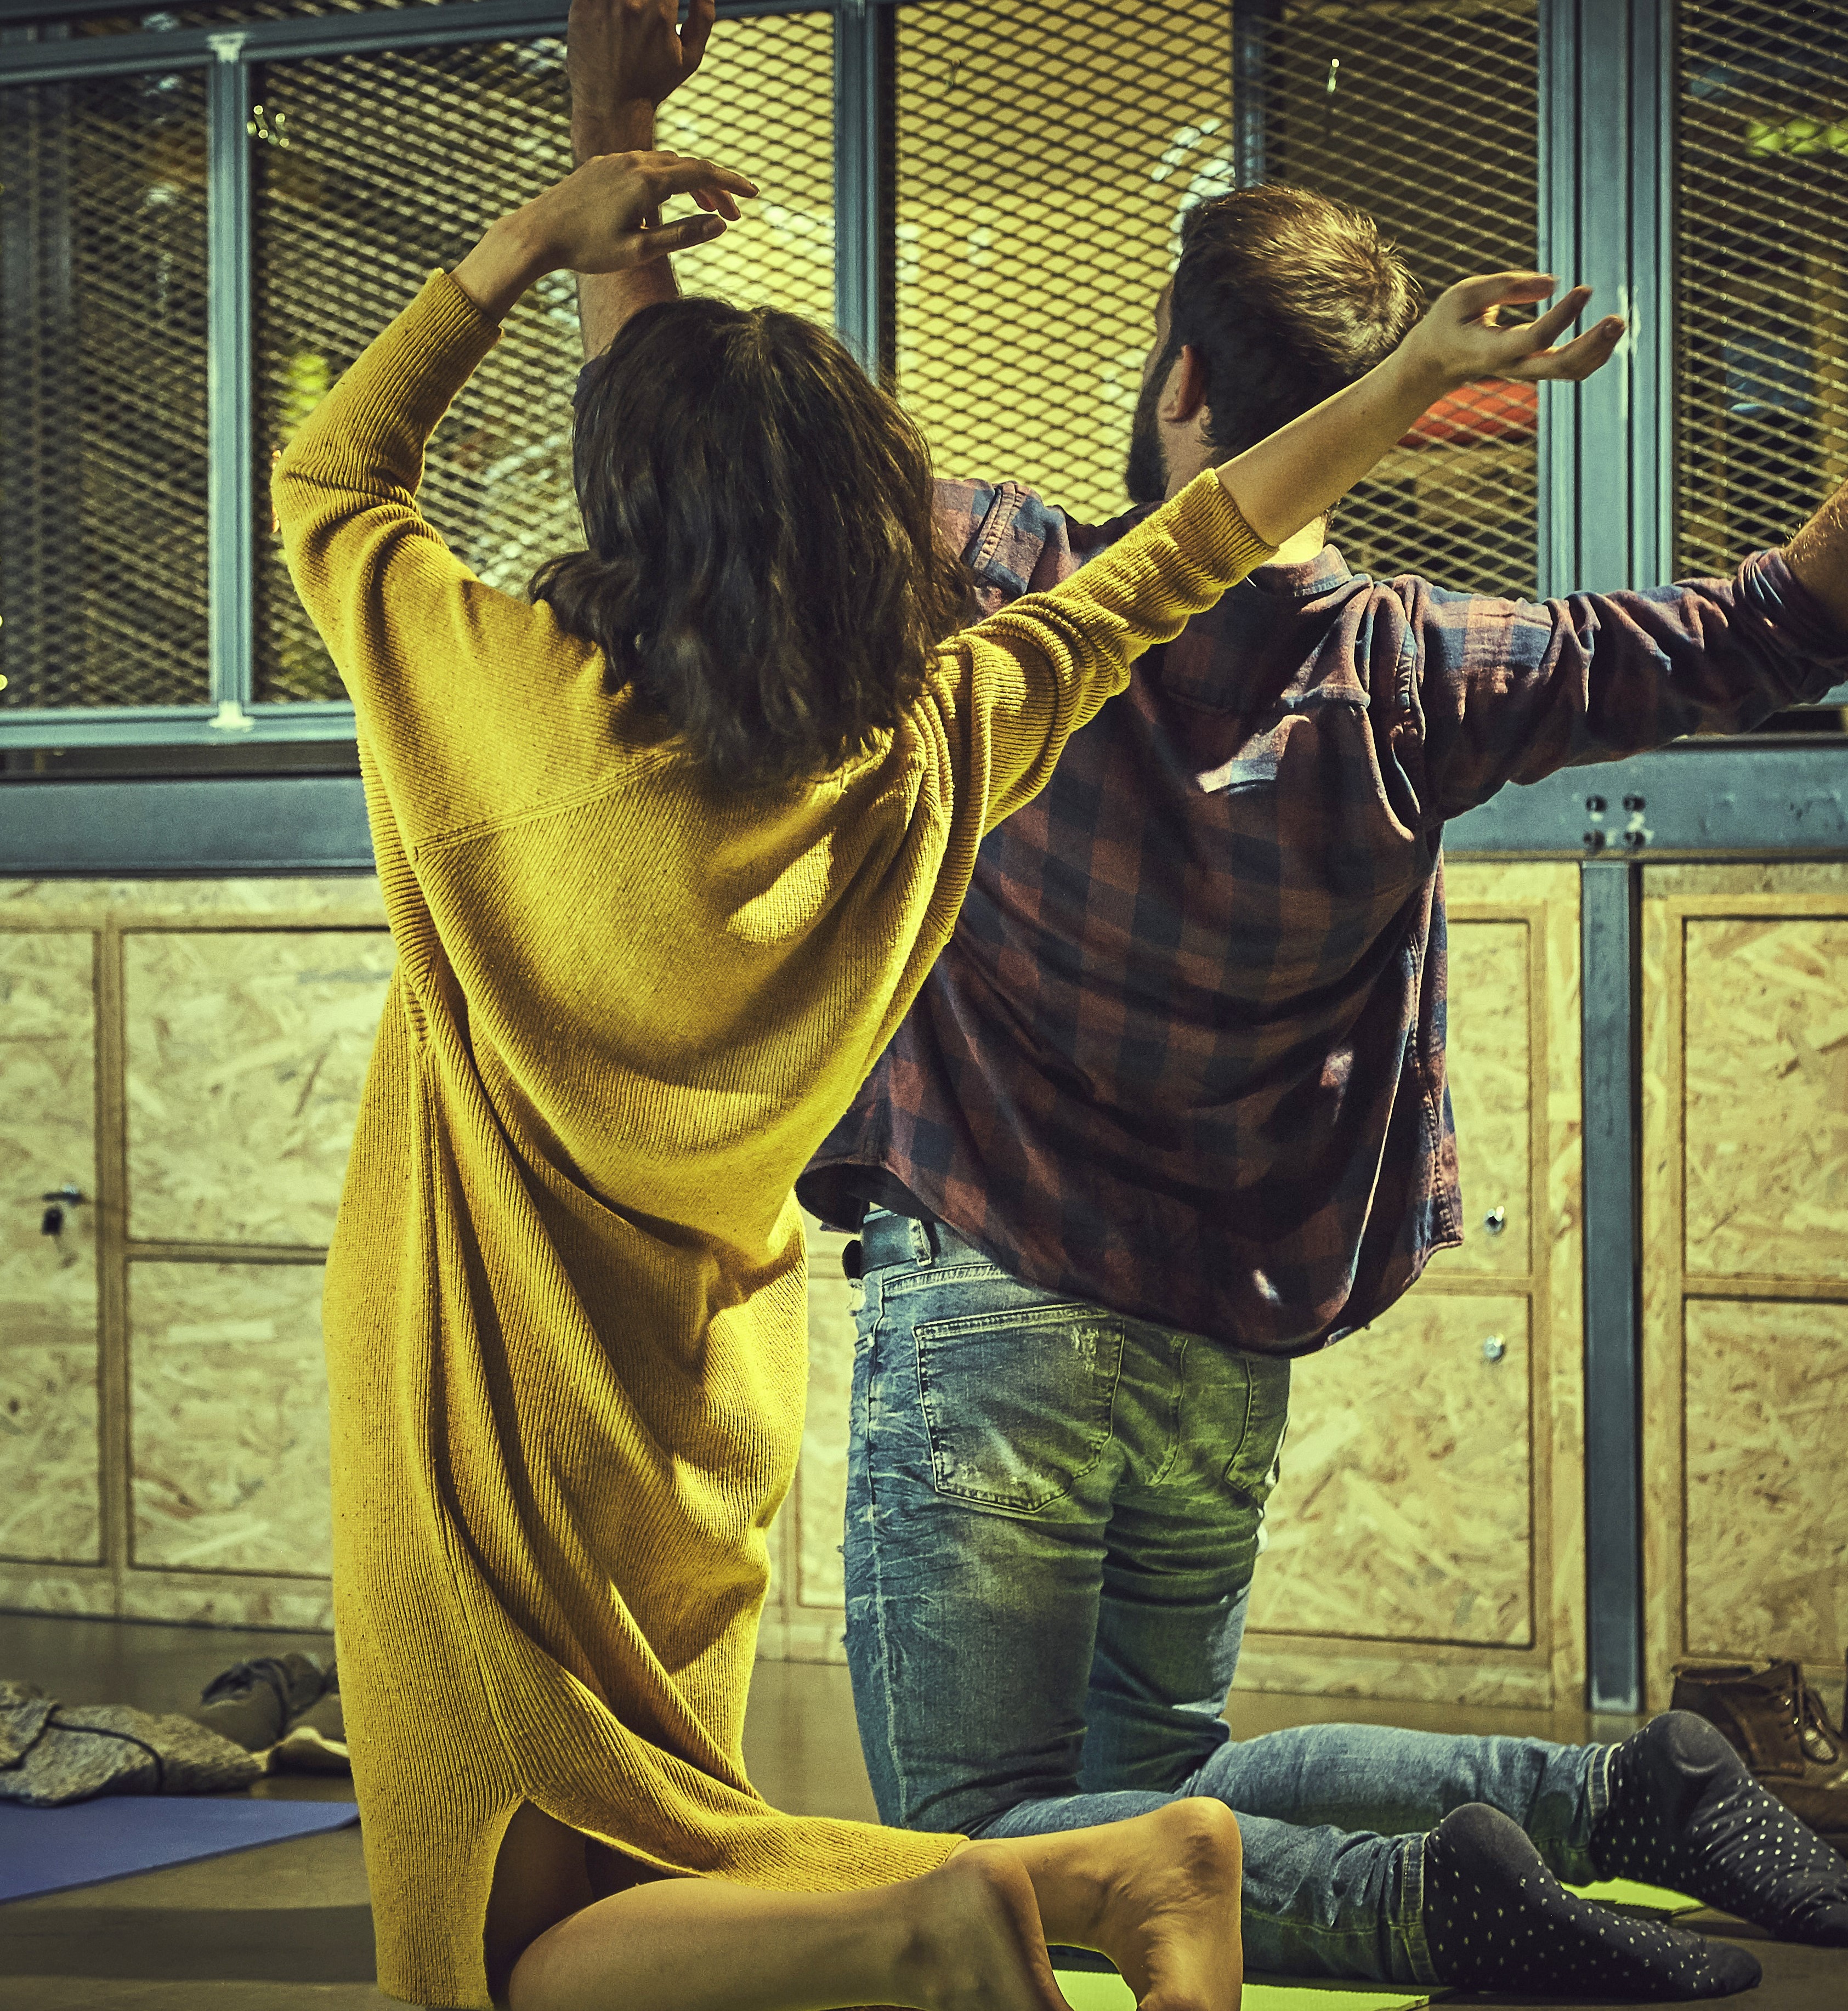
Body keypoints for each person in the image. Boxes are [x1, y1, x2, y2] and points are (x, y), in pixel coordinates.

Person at [272, 8, 1614, 2007]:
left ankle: (957, 1911)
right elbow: (1191, 553)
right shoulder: (923, 748)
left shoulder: (483, 699)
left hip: (476, 1401)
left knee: (479, 1936)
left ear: (629, 507)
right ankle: (1112, 1866)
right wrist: (1408, 376)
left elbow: (331, 468)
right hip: (704, 1414)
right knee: (640, 1843)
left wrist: (545, 222)